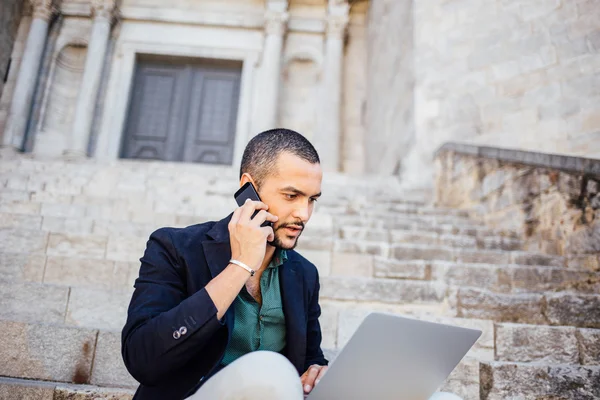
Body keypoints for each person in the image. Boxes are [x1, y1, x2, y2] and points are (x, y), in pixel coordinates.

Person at [122, 128, 465, 400]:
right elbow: (143, 358)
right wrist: (240, 264)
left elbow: (309, 360)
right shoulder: (174, 247)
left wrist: (318, 371)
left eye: (312, 199)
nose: (303, 214)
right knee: (269, 370)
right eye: (291, 196)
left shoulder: (303, 274)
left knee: (443, 399)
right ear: (248, 189)